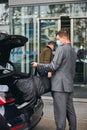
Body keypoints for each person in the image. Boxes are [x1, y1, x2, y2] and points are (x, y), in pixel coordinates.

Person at [32, 28, 77, 130]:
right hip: (69, 85)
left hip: (59, 86)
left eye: (58, 39)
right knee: (70, 111)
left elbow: (53, 66)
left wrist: (38, 65)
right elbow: (72, 70)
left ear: (63, 38)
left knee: (60, 113)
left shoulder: (61, 49)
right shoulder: (73, 51)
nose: (58, 41)